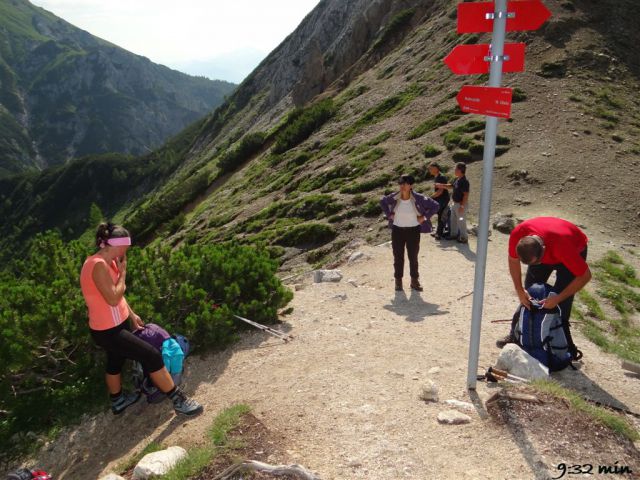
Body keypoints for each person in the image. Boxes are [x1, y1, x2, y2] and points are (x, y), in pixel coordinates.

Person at [80, 223, 203, 416]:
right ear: (118, 245)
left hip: (113, 326)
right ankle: (179, 400)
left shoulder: (109, 261)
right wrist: (123, 275)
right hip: (109, 331)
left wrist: (131, 313)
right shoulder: (98, 265)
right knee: (151, 356)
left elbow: (115, 296)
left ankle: (118, 401)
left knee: (115, 361)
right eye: (126, 247)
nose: (127, 251)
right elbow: (113, 298)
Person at [499, 217, 590, 360]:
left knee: (561, 305)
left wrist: (558, 298)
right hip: (545, 247)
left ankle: (561, 346)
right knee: (531, 295)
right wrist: (520, 290)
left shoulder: (562, 247)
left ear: (543, 251)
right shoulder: (518, 235)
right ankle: (516, 336)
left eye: (538, 262)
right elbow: (513, 260)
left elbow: (585, 276)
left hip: (572, 246)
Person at [380, 174, 439, 291]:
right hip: (397, 230)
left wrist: (424, 217)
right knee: (398, 257)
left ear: (411, 185)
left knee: (413, 257)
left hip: (413, 230)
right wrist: (389, 214)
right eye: (401, 183)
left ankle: (414, 281)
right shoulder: (395, 197)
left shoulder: (419, 198)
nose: (402, 186)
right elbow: (382, 201)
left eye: (405, 183)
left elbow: (436, 206)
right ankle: (398, 282)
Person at [435, 162, 469, 243]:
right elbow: (451, 186)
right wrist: (441, 185)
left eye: (456, 169)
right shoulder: (457, 179)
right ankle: (454, 235)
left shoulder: (464, 181)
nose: (454, 170)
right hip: (455, 204)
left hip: (460, 204)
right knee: (453, 220)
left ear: (460, 170)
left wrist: (462, 206)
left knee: (461, 221)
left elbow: (466, 195)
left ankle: (464, 237)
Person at [427, 162, 450, 240]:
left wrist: (430, 197)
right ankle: (438, 232)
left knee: (441, 216)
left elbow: (440, 191)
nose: (429, 170)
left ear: (436, 168)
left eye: (431, 168)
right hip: (440, 199)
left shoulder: (441, 177)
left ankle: (439, 234)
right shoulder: (437, 177)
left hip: (443, 199)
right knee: (440, 215)